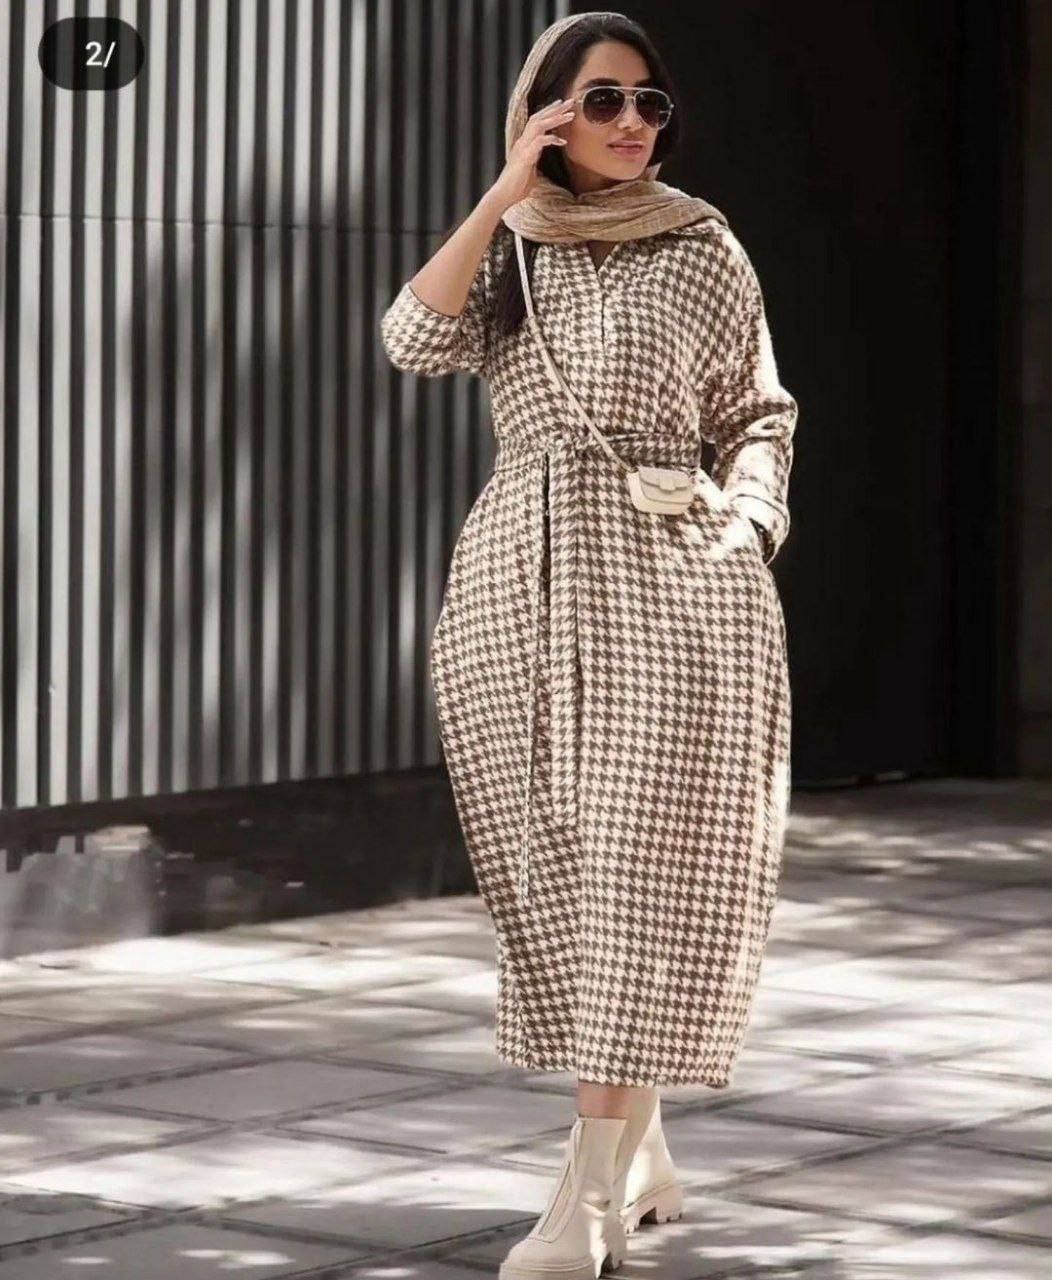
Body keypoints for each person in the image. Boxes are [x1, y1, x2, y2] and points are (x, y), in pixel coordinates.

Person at [380, 11, 797, 1278]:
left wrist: (747, 526)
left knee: (634, 866)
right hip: (515, 582)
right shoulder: (509, 245)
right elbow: (412, 340)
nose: (628, 124)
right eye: (599, 101)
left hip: (673, 583)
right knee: (557, 870)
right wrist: (504, 190)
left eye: (647, 103)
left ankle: (584, 1199)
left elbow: (759, 413)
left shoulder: (702, 241)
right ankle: (641, 1145)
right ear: (546, 113)